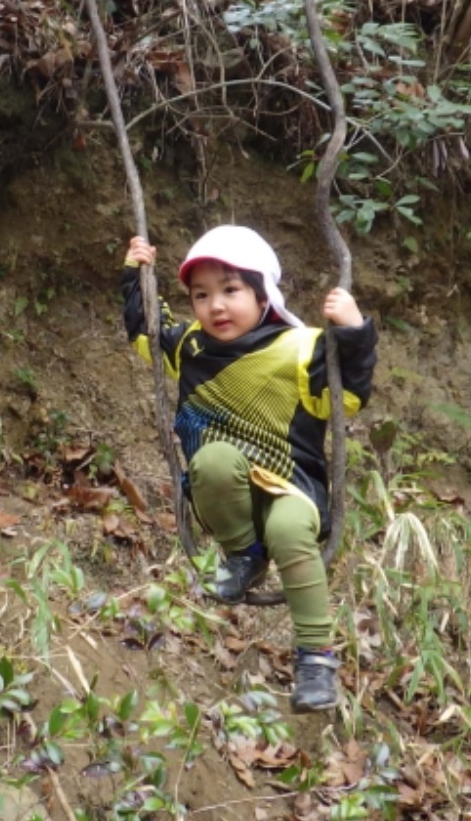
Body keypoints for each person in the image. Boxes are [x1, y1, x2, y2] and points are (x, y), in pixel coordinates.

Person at [121, 224, 376, 714]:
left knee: (287, 528)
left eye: (231, 291)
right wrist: (137, 276)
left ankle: (316, 659)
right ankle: (243, 555)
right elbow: (145, 334)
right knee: (212, 460)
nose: (215, 306)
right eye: (202, 295)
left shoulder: (301, 347)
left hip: (289, 484)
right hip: (227, 487)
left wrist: (353, 331)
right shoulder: (192, 347)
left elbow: (345, 398)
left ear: (263, 293)